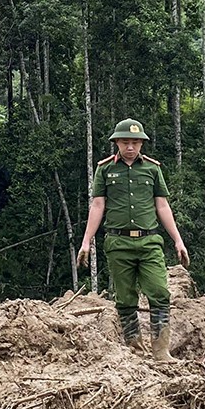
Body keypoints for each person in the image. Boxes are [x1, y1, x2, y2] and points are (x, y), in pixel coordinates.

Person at [77, 119, 190, 362]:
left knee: (159, 292)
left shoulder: (152, 169)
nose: (131, 147)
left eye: (135, 142)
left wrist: (178, 241)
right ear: (116, 142)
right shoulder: (105, 170)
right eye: (126, 142)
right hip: (118, 243)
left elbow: (162, 206)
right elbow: (97, 205)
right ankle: (135, 350)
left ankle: (161, 352)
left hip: (149, 243)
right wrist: (86, 242)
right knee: (125, 298)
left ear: (142, 144)